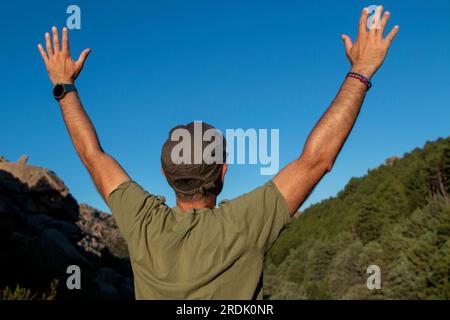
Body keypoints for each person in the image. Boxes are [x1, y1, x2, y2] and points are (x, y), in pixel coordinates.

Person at [37, 6, 398, 299]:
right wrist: (361, 70)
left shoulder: (142, 222)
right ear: (223, 173)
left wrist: (64, 85)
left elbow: (92, 155)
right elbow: (317, 160)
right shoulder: (247, 223)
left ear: (165, 175)